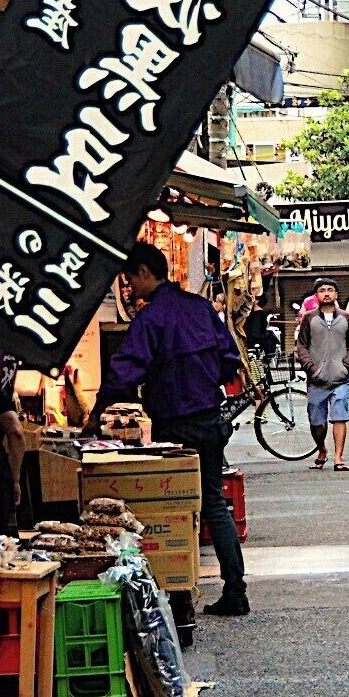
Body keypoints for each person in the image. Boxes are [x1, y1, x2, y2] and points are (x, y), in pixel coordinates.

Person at [105, 243, 250, 618]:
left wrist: (98, 409)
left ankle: (180, 601)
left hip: (172, 427)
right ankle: (236, 590)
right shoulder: (200, 308)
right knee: (212, 502)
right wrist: (204, 381)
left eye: (130, 280)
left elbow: (126, 370)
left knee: (174, 510)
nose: (129, 288)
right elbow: (229, 359)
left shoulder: (150, 319)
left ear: (144, 272)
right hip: (210, 420)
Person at [294, 281, 349, 470]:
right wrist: (311, 368)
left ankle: (338, 458)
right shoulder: (309, 318)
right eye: (322, 290)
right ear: (316, 295)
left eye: (330, 290)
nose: (326, 293)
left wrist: (347, 365)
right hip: (316, 380)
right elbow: (301, 345)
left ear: (336, 294)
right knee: (316, 422)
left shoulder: (346, 318)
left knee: (340, 417)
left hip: (340, 379)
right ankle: (321, 449)